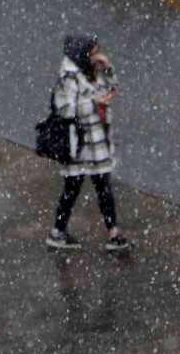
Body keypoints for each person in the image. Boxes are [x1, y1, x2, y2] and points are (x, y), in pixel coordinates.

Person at [45, 34, 130, 251]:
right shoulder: (68, 80)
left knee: (104, 188)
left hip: (97, 144)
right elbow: (66, 110)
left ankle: (113, 233)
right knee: (72, 190)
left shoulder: (93, 73)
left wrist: (107, 68)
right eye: (92, 52)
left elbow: (112, 86)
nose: (96, 56)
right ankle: (58, 232)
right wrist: (94, 103)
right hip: (80, 146)